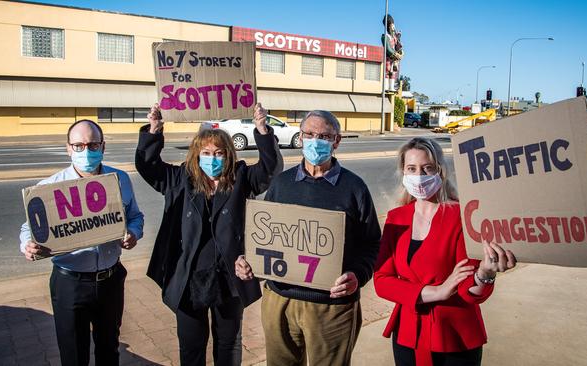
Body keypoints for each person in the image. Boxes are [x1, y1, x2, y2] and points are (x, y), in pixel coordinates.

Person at [135, 103, 281, 366]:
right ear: (196, 154)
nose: (212, 158)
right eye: (206, 152)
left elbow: (271, 169)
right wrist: (153, 131)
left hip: (229, 278)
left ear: (228, 156)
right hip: (189, 277)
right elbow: (148, 166)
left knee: (228, 344)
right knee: (191, 345)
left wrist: (262, 129)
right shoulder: (180, 178)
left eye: (219, 153)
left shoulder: (242, 177)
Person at [235, 110, 381, 366]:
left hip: (331, 307)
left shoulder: (354, 188)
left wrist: (358, 275)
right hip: (280, 300)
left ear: (337, 141)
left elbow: (372, 243)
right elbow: (265, 238)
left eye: (324, 136)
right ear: (300, 138)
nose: (316, 141)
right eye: (310, 134)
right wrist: (249, 264)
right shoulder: (281, 184)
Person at [373, 137, 517, 366]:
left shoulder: (460, 217)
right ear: (403, 172)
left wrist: (486, 274)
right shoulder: (396, 218)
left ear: (440, 171)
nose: (419, 176)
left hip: (454, 336)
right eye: (412, 169)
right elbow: (381, 281)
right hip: (408, 334)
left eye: (427, 168)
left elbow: (468, 289)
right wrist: (437, 291)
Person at [19, 119, 144, 366]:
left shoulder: (120, 179)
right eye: (78, 145)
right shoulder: (50, 187)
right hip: (70, 283)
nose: (86, 151)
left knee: (109, 348)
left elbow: (135, 216)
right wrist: (27, 245)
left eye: (93, 144)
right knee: (74, 354)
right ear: (68, 148)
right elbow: (28, 229)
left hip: (110, 279)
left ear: (103, 147)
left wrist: (133, 233)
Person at [381, 14, 404, 92]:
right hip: (388, 57)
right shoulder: (385, 36)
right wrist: (395, 54)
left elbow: (398, 46)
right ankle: (386, 87)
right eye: (392, 25)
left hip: (394, 60)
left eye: (394, 25)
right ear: (388, 26)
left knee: (393, 72)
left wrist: (398, 38)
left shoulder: (394, 37)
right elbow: (388, 48)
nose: (394, 27)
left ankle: (391, 87)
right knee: (387, 72)